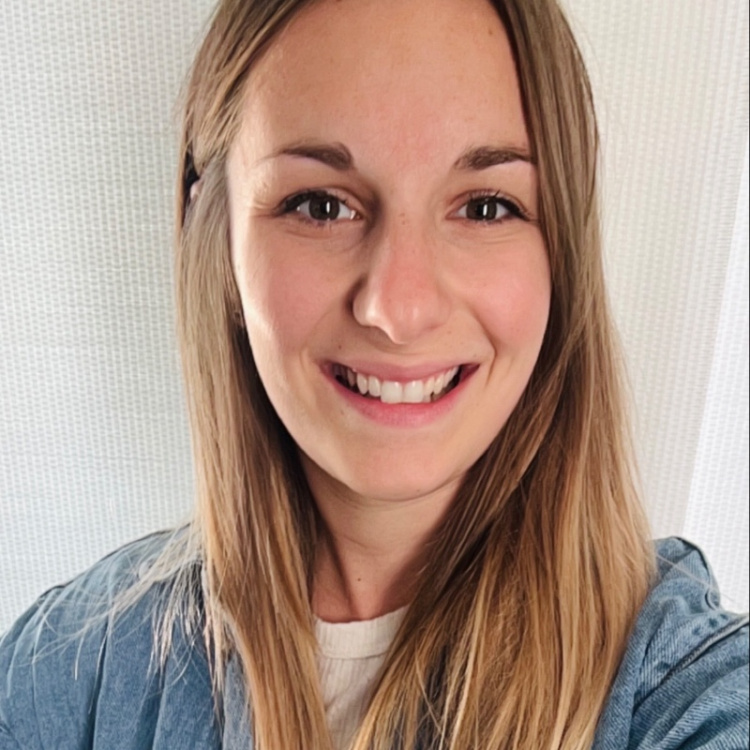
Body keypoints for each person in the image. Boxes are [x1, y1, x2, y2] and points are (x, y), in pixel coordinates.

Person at [0, 0, 747, 748]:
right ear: (216, 237)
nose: (399, 309)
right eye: (321, 206)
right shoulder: (66, 674)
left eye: (486, 207)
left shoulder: (682, 687)